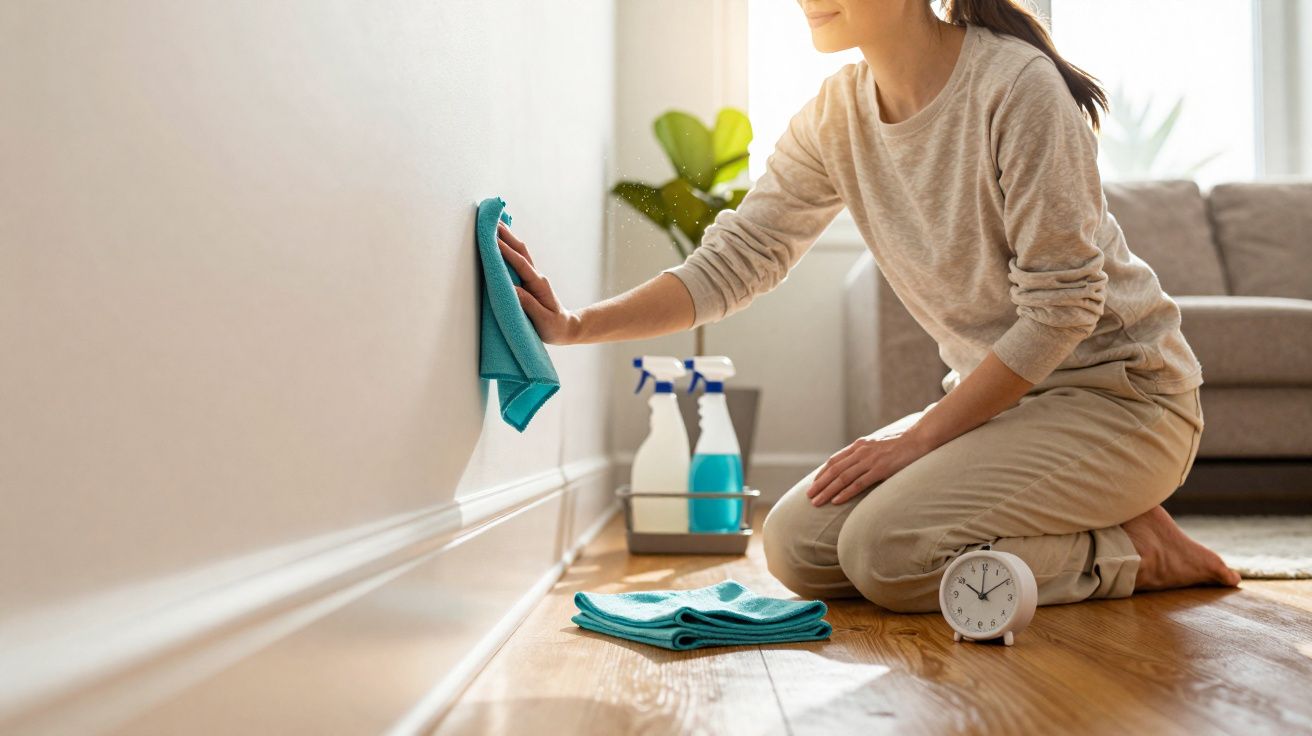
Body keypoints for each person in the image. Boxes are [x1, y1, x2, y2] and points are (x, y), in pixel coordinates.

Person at [498, 0, 1241, 613]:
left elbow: (1062, 310)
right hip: (1009, 408)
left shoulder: (1019, 87)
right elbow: (735, 260)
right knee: (798, 547)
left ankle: (1132, 552)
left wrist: (917, 442)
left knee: (887, 555)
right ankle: (1086, 506)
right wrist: (575, 326)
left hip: (1125, 399)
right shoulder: (836, 114)